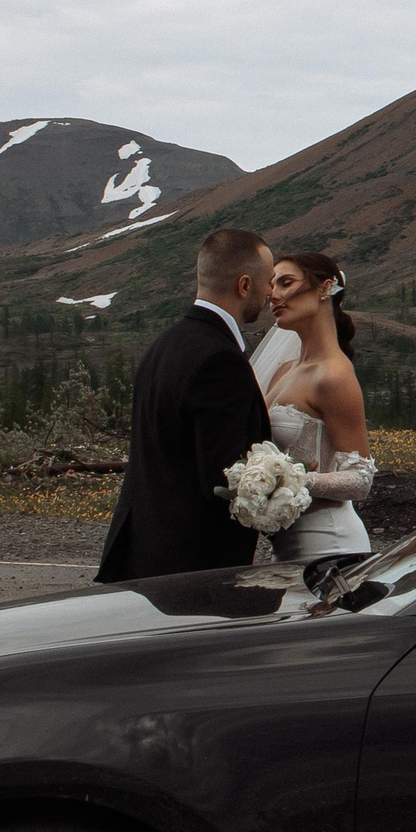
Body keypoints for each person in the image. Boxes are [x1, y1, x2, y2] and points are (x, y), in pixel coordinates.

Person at [93, 227, 274, 583]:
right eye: (268, 282)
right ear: (244, 286)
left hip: (143, 552)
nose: (270, 292)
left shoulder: (163, 347)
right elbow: (222, 481)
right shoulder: (220, 360)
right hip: (192, 568)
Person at [253, 250, 376, 562]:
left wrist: (293, 480)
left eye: (286, 283)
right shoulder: (283, 372)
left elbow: (361, 478)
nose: (274, 295)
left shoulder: (334, 375)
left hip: (329, 543)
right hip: (284, 545)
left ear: (324, 288)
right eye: (271, 286)